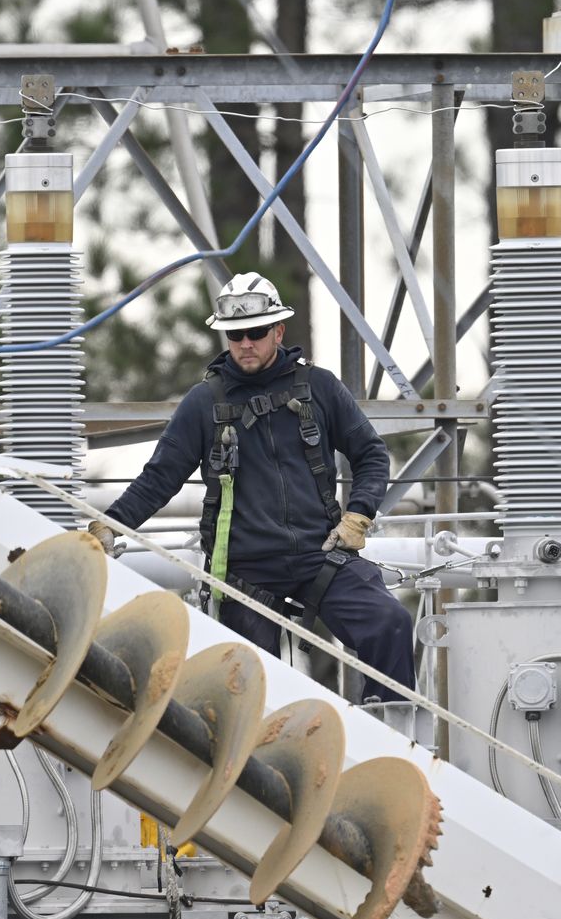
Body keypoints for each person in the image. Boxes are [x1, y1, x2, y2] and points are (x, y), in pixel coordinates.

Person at [88, 272, 415, 702]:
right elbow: (158, 479)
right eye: (235, 335)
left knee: (389, 623)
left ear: (278, 330)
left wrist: (359, 515)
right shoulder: (203, 404)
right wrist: (109, 525)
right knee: (246, 689)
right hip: (245, 571)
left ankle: (391, 742)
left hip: (321, 557)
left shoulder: (318, 389)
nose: (245, 343)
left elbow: (371, 454)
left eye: (256, 332)